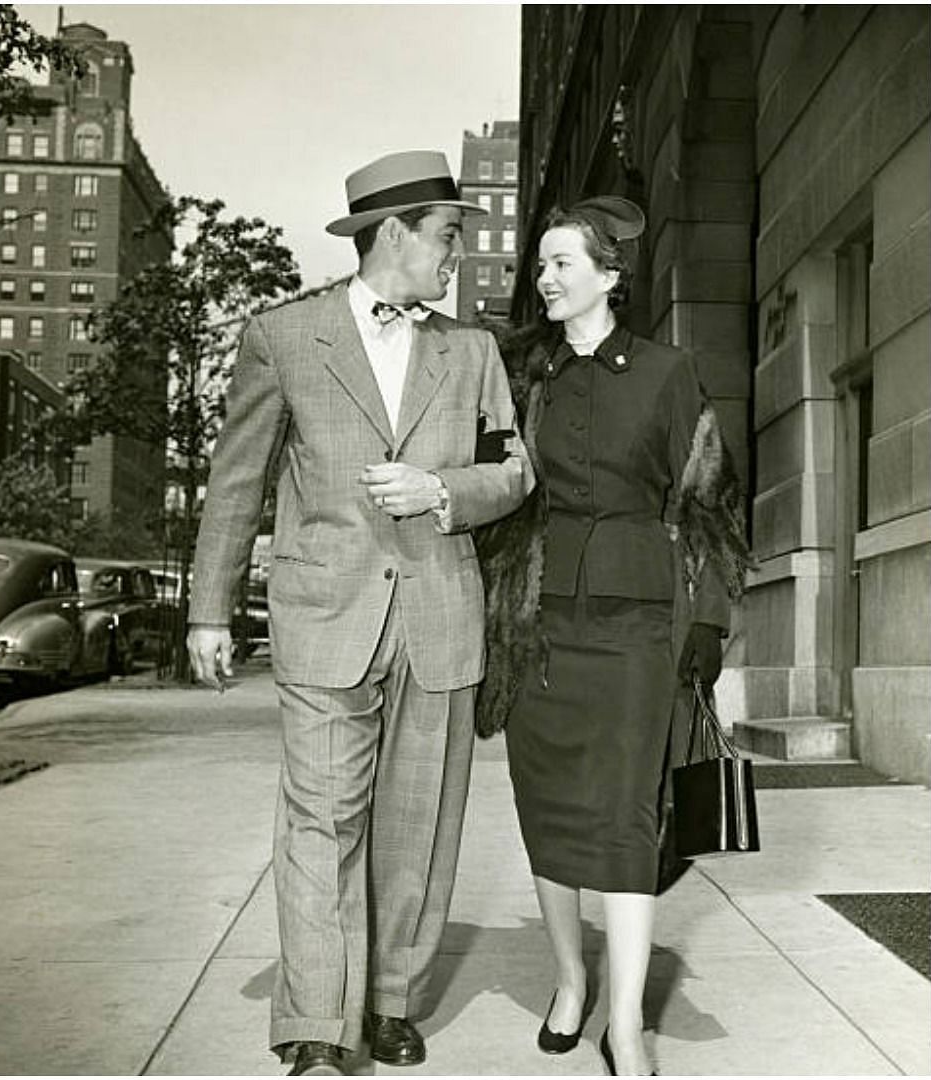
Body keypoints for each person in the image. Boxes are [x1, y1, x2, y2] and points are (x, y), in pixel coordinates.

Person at [187, 150, 531, 1076]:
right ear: (394, 235)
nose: (458, 255)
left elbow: (514, 470)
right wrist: (207, 612)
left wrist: (441, 489)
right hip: (321, 612)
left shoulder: (474, 351)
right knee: (320, 819)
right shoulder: (283, 337)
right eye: (448, 236)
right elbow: (237, 484)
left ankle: (389, 1003)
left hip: (440, 616)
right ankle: (315, 1015)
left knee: (416, 822)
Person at [473, 196, 745, 1077]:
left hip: (637, 627)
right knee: (547, 811)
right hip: (537, 624)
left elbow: (712, 504)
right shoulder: (523, 376)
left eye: (561, 264)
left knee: (628, 818)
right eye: (540, 266)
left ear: (609, 276)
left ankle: (625, 1024)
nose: (544, 280)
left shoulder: (668, 374)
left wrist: (707, 623)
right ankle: (568, 981)